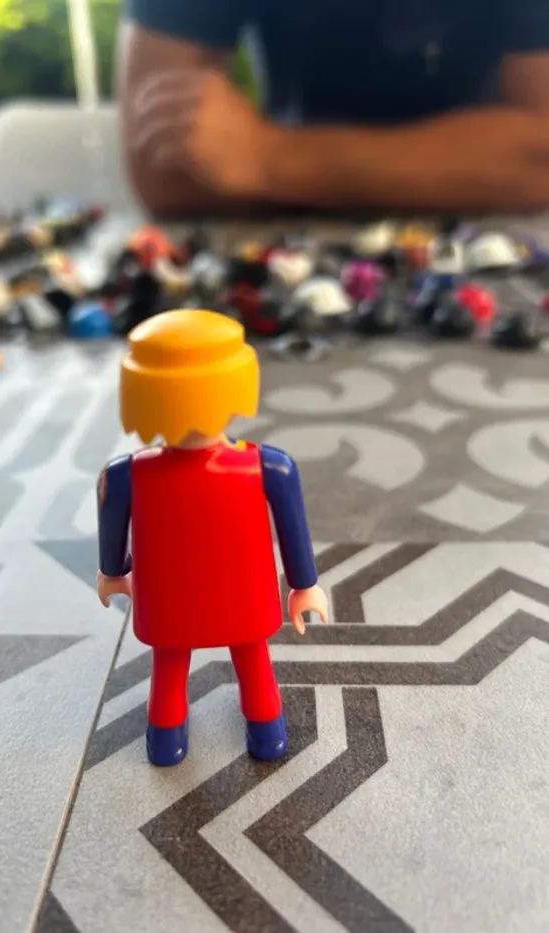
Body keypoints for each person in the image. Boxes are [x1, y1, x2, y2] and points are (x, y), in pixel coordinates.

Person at [96, 309, 328, 766]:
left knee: (170, 664)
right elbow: (293, 532)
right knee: (253, 659)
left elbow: (112, 541)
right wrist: (304, 584)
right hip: (244, 596)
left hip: (169, 600)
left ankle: (166, 742)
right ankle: (266, 735)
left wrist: (113, 573)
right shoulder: (270, 466)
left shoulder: (125, 475)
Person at [119, 0, 549, 216]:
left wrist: (269, 159)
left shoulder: (266, 163)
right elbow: (164, 166)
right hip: (279, 248)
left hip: (495, 247)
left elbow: (540, 158)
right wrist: (468, 169)